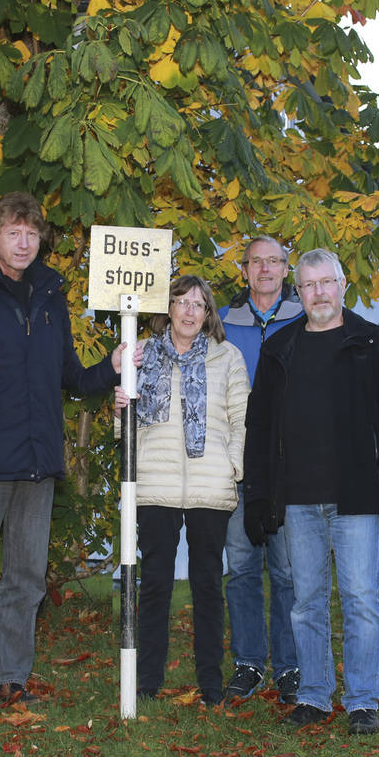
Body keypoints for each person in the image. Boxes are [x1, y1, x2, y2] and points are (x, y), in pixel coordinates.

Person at [0, 192, 139, 721]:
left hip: (36, 461)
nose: (23, 243)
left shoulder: (49, 295)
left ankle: (9, 678)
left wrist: (111, 367)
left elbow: (67, 376)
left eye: (31, 233)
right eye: (13, 232)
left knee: (26, 577)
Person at [242, 248, 379, 735]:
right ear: (299, 293)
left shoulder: (372, 343)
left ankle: (362, 701)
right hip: (297, 500)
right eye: (309, 285)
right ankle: (315, 695)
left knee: (360, 598)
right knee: (306, 601)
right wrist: (258, 494)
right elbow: (259, 428)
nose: (319, 292)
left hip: (356, 496)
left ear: (342, 285)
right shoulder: (280, 350)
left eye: (327, 282)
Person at [113, 276, 249, 705]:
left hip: (211, 484)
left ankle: (211, 682)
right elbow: (124, 427)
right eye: (181, 302)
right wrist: (118, 408)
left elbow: (242, 418)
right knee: (154, 584)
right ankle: (148, 681)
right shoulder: (144, 354)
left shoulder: (227, 357)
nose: (190, 311)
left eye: (199, 304)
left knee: (208, 583)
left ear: (208, 314)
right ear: (167, 309)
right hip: (155, 484)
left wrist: (233, 467)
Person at [218, 236, 304, 704]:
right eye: (257, 262)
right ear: (244, 271)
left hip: (289, 467)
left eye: (275, 261)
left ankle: (289, 667)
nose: (266, 269)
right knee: (243, 570)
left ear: (286, 269)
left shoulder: (305, 316)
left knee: (289, 572)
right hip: (237, 465)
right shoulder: (225, 324)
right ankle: (249, 663)